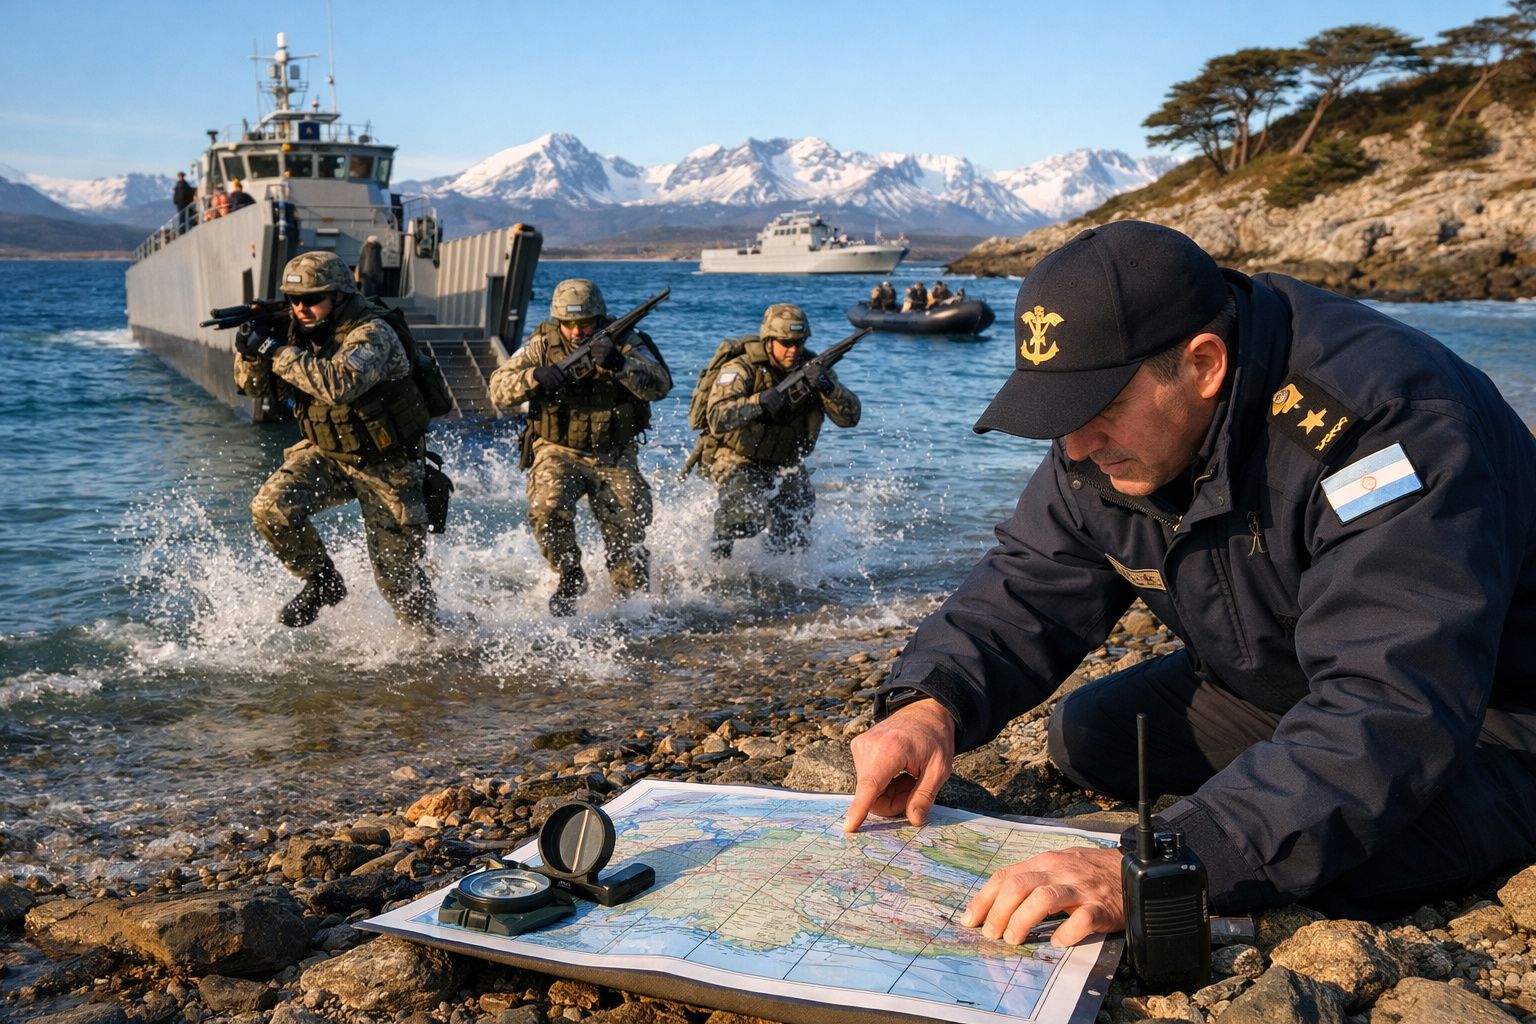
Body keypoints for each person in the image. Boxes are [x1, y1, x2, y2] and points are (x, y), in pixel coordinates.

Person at [844, 220, 1536, 949]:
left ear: (1204, 364)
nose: (1074, 448)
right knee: (1089, 738)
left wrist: (1158, 862)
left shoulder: (1385, 428)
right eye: (1059, 415)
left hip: (1491, 713)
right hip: (1283, 676)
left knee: (1330, 867)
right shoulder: (1110, 435)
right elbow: (1029, 580)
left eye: (1097, 411)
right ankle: (1282, 783)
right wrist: (929, 703)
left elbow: (1393, 700)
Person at [233, 251, 437, 628]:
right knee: (271, 507)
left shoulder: (373, 332)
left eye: (311, 299)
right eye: (294, 300)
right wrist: (251, 351)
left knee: (397, 581)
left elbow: (339, 385)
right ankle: (323, 581)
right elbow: (252, 387)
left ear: (340, 296)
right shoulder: (297, 330)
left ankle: (434, 642)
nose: (301, 308)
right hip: (330, 452)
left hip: (388, 463)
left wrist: (275, 350)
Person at [488, 279, 671, 616]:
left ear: (599, 319)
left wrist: (620, 364)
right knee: (547, 507)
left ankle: (630, 604)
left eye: (583, 324)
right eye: (567, 324)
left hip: (614, 452)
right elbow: (497, 388)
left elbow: (660, 385)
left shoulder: (627, 342)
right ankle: (570, 575)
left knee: (630, 522)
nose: (574, 332)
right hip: (557, 449)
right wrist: (536, 377)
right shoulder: (540, 345)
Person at [702, 304, 861, 559]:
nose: (793, 350)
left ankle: (779, 583)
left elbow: (851, 418)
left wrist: (827, 387)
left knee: (795, 531)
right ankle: (715, 558)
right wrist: (757, 402)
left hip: (786, 461)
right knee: (745, 517)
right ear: (768, 340)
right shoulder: (742, 367)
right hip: (740, 457)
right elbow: (717, 417)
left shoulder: (814, 370)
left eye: (799, 343)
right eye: (785, 343)